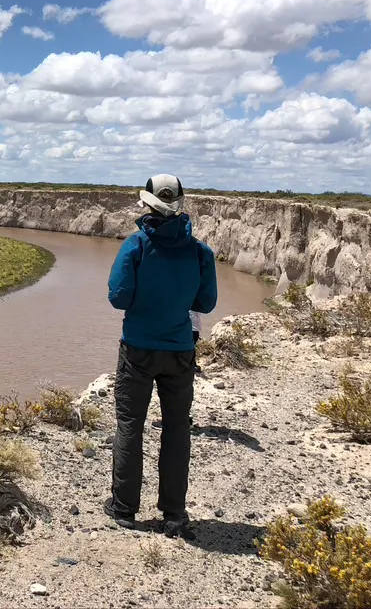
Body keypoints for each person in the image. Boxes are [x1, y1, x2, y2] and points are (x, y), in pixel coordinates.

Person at [104, 174, 218, 538]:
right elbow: (206, 302)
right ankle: (173, 512)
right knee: (176, 429)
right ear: (180, 204)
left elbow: (118, 297)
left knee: (130, 426)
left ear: (148, 204)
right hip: (180, 353)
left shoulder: (135, 246)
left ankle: (123, 509)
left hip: (137, 350)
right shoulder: (200, 252)